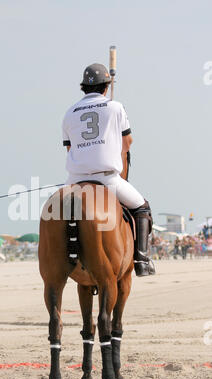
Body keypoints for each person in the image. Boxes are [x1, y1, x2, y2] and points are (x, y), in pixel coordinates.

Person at [62, 63, 155, 277]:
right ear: (107, 86)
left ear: (83, 87)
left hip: (74, 180)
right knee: (142, 208)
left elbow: (69, 149)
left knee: (57, 213)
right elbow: (127, 143)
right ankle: (141, 259)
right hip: (107, 179)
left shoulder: (69, 112)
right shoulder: (115, 107)